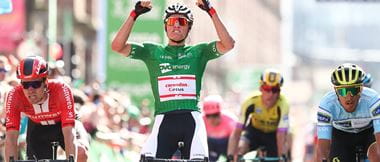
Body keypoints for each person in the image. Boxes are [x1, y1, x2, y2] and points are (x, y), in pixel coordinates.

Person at [111, 0, 235, 159]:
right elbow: (117, 46)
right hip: (164, 119)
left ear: (188, 27)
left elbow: (228, 44)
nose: (176, 25)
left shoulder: (199, 52)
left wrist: (211, 12)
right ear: (165, 26)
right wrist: (133, 15)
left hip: (191, 119)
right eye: (171, 21)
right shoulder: (152, 51)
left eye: (181, 22)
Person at [4, 56, 88, 162]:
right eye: (26, 84)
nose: (31, 90)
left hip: (63, 124)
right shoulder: (14, 95)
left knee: (81, 153)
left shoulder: (61, 89)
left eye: (35, 84)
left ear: (45, 82)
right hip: (38, 128)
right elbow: (11, 137)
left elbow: (69, 133)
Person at [316, 63, 380, 162]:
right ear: (336, 91)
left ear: (361, 89)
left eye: (353, 90)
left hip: (368, 133)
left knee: (377, 156)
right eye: (343, 91)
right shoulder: (327, 104)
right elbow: (323, 148)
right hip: (341, 135)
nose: (349, 97)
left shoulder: (373, 99)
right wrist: (323, 159)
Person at [227, 69, 290, 162]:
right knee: (239, 150)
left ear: (279, 91)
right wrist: (230, 156)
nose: (270, 94)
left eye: (275, 90)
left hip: (273, 135)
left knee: (282, 158)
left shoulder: (283, 104)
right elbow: (237, 132)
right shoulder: (250, 101)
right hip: (254, 132)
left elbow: (281, 135)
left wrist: (282, 157)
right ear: (260, 88)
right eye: (267, 89)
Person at [202, 95, 237, 162]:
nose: (211, 119)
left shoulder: (231, 121)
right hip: (210, 145)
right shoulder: (201, 120)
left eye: (215, 115)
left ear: (220, 113)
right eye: (208, 115)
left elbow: (235, 142)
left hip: (227, 144)